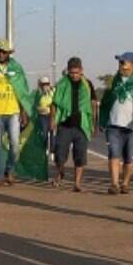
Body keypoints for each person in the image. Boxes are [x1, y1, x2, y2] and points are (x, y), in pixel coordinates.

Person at [0, 38, 34, 186]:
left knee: (15, 145)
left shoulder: (17, 69)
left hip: (13, 112)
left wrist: (24, 112)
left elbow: (22, 92)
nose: (0, 54)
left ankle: (9, 170)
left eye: (3, 52)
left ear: (9, 53)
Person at [100, 52, 133, 195]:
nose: (120, 66)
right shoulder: (116, 81)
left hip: (131, 127)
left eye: (123, 63)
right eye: (119, 63)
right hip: (113, 125)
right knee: (114, 154)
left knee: (128, 158)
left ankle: (125, 183)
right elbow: (107, 101)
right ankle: (114, 184)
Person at [51, 57, 99, 192]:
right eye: (72, 72)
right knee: (59, 155)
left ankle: (77, 184)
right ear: (68, 71)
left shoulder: (87, 85)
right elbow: (54, 103)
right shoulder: (61, 84)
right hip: (64, 125)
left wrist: (94, 124)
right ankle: (60, 172)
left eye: (77, 72)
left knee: (80, 155)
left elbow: (93, 105)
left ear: (82, 71)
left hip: (82, 126)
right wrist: (52, 120)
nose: (74, 75)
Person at [34, 77, 56, 154]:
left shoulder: (53, 92)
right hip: (42, 116)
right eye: (43, 84)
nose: (45, 86)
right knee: (44, 132)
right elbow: (34, 105)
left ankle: (52, 150)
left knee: (52, 133)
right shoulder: (37, 93)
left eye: (47, 84)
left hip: (52, 116)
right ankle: (45, 147)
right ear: (40, 85)